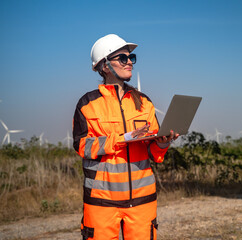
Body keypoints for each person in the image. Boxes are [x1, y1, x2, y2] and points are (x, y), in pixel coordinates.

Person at [72, 34, 178, 240]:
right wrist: (122, 138)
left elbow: (153, 152)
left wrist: (163, 144)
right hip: (101, 201)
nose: (130, 62)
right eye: (122, 58)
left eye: (131, 58)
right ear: (104, 66)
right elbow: (82, 146)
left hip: (142, 199)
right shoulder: (87, 104)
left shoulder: (144, 103)